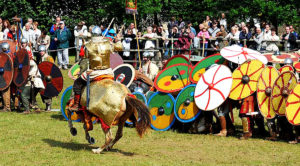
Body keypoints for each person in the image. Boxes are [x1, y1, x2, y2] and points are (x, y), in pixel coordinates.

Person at [68, 26, 122, 112]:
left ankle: (77, 104)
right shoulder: (108, 43)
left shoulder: (88, 45)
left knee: (77, 83)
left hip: (94, 72)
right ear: (101, 34)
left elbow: (86, 57)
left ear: (92, 35)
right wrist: (118, 39)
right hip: (108, 71)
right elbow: (120, 47)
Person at [20, 39, 44, 113]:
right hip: (33, 82)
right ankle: (35, 108)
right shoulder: (30, 61)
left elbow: (26, 66)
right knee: (31, 96)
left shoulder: (31, 62)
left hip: (35, 82)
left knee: (24, 94)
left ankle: (27, 109)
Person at [37, 45, 54, 111]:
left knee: (47, 92)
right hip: (42, 78)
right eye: (40, 51)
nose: (41, 52)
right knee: (42, 91)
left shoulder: (49, 58)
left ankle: (49, 105)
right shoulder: (40, 58)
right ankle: (46, 105)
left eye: (42, 51)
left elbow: (52, 67)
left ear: (45, 51)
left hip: (48, 78)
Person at [0, 43, 13, 112]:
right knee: (3, 91)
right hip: (4, 75)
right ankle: (4, 105)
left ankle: (7, 107)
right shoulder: (9, 54)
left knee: (6, 91)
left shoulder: (9, 55)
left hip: (7, 76)